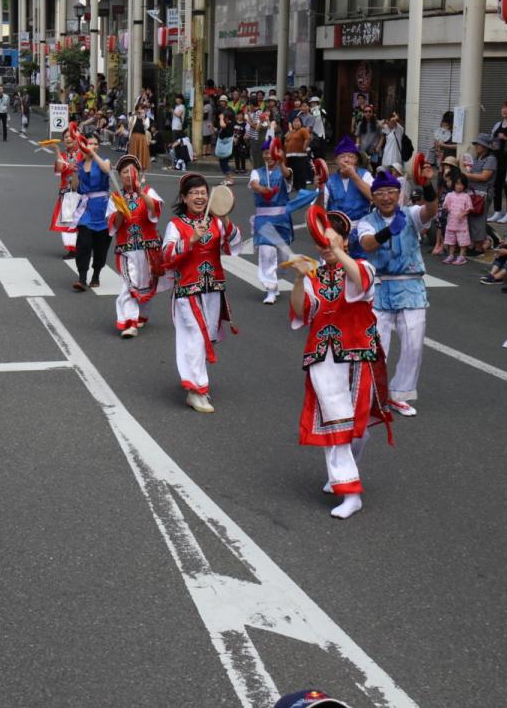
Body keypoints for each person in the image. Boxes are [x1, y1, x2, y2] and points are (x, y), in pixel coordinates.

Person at [288, 209, 392, 519]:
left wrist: (338, 252)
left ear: (345, 241)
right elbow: (301, 312)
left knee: (356, 427)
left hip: (358, 355)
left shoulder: (362, 266)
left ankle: (341, 475)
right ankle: (350, 491)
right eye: (320, 241)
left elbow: (360, 283)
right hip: (323, 358)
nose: (324, 246)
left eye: (331, 239)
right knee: (336, 422)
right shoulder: (314, 276)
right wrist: (299, 279)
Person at [356, 169, 439, 417]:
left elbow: (431, 210)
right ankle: (374, 395)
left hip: (411, 286)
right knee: (377, 347)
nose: (386, 197)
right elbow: (367, 244)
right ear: (373, 197)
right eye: (380, 193)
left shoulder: (410, 214)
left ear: (399, 194)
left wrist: (428, 184)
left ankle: (400, 394)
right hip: (380, 287)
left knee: (413, 344)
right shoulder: (366, 221)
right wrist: (388, 231)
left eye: (391, 192)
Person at [160, 174, 243, 413]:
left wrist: (224, 216)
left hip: (213, 289)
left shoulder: (216, 222)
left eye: (203, 192)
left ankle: (194, 382)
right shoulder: (176, 225)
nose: (199, 197)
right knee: (196, 336)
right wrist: (191, 239)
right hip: (187, 290)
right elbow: (166, 256)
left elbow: (233, 246)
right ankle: (196, 390)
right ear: (184, 198)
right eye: (194, 193)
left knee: (204, 336)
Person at [107, 155, 164, 338]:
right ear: (120, 175)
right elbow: (113, 225)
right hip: (127, 249)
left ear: (138, 174)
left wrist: (141, 193)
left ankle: (141, 315)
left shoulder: (148, 191)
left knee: (145, 284)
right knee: (128, 285)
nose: (128, 175)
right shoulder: (115, 197)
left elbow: (155, 211)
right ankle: (129, 322)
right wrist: (121, 211)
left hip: (148, 248)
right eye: (124, 172)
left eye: (131, 171)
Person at [249, 139, 294, 304]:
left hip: (281, 218)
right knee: (266, 253)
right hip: (263, 219)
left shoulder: (285, 171)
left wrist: (281, 162)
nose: (269, 156)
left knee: (283, 256)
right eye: (266, 152)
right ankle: (270, 289)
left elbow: (288, 176)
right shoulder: (256, 172)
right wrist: (263, 190)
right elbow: (254, 185)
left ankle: (276, 278)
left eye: (272, 152)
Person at [71, 131, 113, 291]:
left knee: (101, 246)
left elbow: (106, 170)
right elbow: (75, 187)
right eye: (90, 143)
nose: (93, 146)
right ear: (83, 145)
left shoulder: (104, 161)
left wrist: (93, 154)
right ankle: (82, 278)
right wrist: (74, 171)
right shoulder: (80, 164)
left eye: (96, 144)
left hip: (103, 208)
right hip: (86, 208)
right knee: (84, 243)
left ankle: (96, 274)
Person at [488, 100, 507, 223]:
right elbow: (492, 139)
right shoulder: (497, 124)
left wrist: (505, 138)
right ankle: (497, 211)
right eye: (503, 107)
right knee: (496, 185)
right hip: (496, 159)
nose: (504, 110)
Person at [465, 133, 497, 253]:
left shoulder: (491, 159)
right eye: (476, 144)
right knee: (471, 219)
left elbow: (484, 176)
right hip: (472, 192)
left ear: (485, 146)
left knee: (479, 220)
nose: (476, 146)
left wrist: (467, 175)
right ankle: (472, 245)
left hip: (483, 194)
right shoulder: (476, 158)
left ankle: (479, 247)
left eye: (479, 144)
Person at [441, 172, 473, 265]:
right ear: (454, 184)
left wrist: (463, 214)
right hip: (451, 222)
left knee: (463, 241)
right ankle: (451, 255)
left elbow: (469, 208)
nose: (459, 186)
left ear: (464, 185)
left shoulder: (466, 196)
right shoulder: (449, 195)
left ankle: (462, 256)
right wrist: (446, 209)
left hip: (462, 224)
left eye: (461, 184)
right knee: (451, 240)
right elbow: (445, 206)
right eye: (457, 184)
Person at [128, 104, 152, 172]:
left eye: (142, 109)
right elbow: (130, 126)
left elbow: (146, 127)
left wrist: (143, 118)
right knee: (133, 154)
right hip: (134, 137)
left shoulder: (146, 118)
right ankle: (134, 172)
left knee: (143, 155)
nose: (140, 110)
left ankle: (143, 174)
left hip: (142, 138)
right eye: (139, 109)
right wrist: (132, 117)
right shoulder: (133, 117)